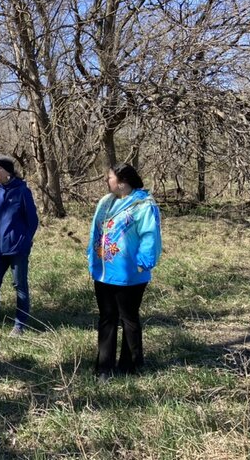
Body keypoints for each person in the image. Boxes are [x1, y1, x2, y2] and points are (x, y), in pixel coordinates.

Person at [87, 162, 162, 380]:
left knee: (128, 319)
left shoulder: (143, 205)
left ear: (122, 182)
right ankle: (104, 367)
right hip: (104, 271)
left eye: (109, 177)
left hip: (130, 273)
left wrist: (144, 263)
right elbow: (96, 232)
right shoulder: (106, 202)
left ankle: (131, 366)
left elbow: (150, 236)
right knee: (106, 318)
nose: (106, 181)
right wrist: (92, 256)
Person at [0, 155, 39, 337]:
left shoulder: (22, 191)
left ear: (8, 172)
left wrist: (24, 241)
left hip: (17, 248)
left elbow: (32, 221)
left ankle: (20, 324)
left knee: (20, 285)